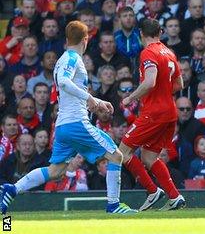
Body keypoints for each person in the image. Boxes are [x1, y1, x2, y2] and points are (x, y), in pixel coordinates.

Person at [0, 21, 136, 215]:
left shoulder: (63, 59)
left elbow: (70, 89)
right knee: (116, 155)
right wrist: (90, 98)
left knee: (56, 171)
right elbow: (64, 82)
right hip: (76, 123)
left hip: (63, 125)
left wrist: (96, 100)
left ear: (66, 39)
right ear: (86, 39)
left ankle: (12, 189)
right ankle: (113, 205)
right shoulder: (73, 58)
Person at [118, 19, 186, 211]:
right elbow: (180, 84)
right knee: (149, 157)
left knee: (123, 152)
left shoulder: (148, 52)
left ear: (141, 33)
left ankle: (152, 190)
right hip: (170, 112)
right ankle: (174, 196)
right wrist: (163, 93)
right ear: (161, 32)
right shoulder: (169, 52)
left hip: (154, 112)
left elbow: (150, 82)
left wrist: (130, 98)